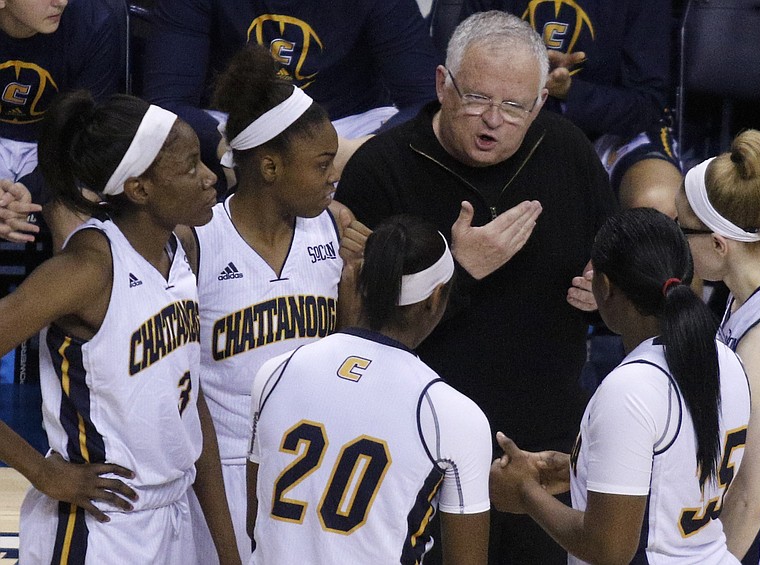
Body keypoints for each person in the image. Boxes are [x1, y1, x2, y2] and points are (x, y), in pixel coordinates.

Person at [335, 9, 615, 563]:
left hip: (537, 452)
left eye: (514, 107)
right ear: (442, 84)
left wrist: (600, 291)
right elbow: (360, 335)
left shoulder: (566, 150)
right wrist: (457, 270)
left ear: (539, 103)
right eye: (477, 99)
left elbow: (610, 263)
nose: (493, 120)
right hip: (417, 450)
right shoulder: (381, 169)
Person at [1, 90, 239, 564]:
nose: (211, 177)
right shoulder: (87, 269)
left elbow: (192, 411)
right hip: (100, 527)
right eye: (191, 166)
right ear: (139, 188)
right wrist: (43, 474)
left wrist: (227, 551)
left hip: (175, 513)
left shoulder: (182, 253)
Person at [183, 45, 370, 563]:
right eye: (322, 163)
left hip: (314, 472)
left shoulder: (334, 226)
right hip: (219, 476)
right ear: (268, 166)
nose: (335, 175)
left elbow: (350, 357)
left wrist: (356, 281)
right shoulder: (199, 242)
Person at [490, 207, 751, 564]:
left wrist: (524, 492)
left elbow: (607, 549)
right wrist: (578, 470)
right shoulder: (727, 359)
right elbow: (674, 472)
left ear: (605, 287)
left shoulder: (630, 388)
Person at [247, 215, 492, 564]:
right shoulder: (452, 414)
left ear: (359, 282)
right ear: (436, 298)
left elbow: (255, 521)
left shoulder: (274, 372)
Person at [144, 0, 441, 195]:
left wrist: (357, 152)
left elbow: (428, 101)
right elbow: (167, 101)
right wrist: (228, 152)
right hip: (236, 126)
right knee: (168, 137)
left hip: (346, 130)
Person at [675, 129, 760, 564]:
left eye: (681, 227)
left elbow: (749, 498)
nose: (675, 238)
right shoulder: (740, 294)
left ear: (717, 243)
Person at [461, 0, 683, 217]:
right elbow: (464, 70)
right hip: (511, 119)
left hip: (610, 134)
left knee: (659, 202)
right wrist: (524, 75)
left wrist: (569, 90)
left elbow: (647, 104)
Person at [0, 0, 124, 245]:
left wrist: (32, 188)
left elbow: (87, 134)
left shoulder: (94, 21)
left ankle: (69, 284)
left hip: (58, 147)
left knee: (77, 216)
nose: (61, 2)